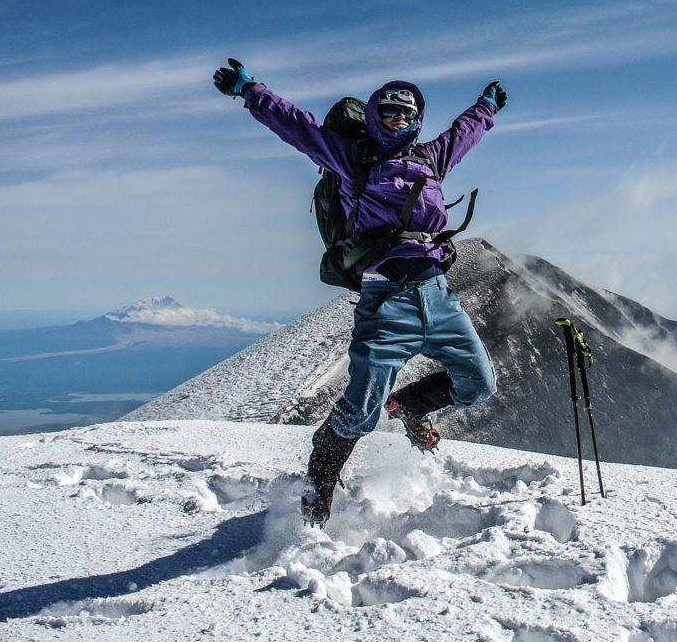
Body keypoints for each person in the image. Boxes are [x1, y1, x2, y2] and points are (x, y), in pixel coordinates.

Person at [212, 58, 507, 525]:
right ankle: (320, 483)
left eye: (408, 115)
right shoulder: (355, 162)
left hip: (438, 295)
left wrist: (487, 106)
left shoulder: (429, 159)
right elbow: (299, 127)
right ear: (374, 116)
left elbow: (464, 133)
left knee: (478, 384)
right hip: (386, 302)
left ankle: (408, 406)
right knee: (361, 412)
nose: (399, 122)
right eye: (390, 113)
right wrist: (250, 90)